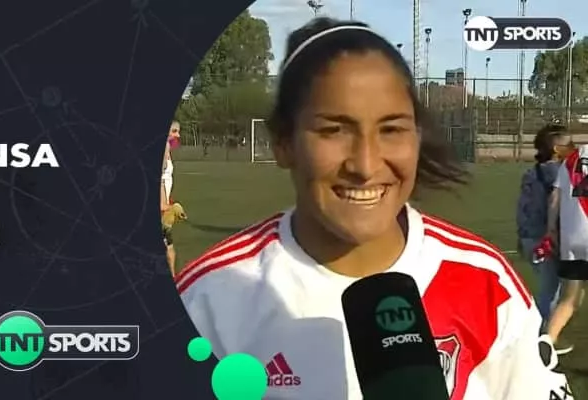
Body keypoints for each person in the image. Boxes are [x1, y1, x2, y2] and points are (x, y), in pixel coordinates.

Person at [175, 18, 571, 399]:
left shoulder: (486, 282)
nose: (365, 165)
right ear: (283, 142)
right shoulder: (210, 299)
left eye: (391, 129)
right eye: (333, 130)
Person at [516, 124, 572, 325]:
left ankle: (542, 329)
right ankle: (540, 333)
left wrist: (522, 236)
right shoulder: (559, 173)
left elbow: (523, 208)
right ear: (557, 149)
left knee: (551, 288)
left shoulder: (531, 173)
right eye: (569, 145)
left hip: (529, 237)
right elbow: (556, 206)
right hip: (546, 240)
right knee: (551, 291)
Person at [539, 142, 588, 367]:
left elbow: (555, 198)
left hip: (572, 239)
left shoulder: (571, 160)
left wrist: (551, 229)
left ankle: (548, 340)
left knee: (569, 298)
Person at [162, 121, 181, 275]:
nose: (177, 135)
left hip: (164, 207)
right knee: (168, 247)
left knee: (169, 247)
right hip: (162, 210)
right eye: (174, 131)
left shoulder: (167, 148)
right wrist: (170, 207)